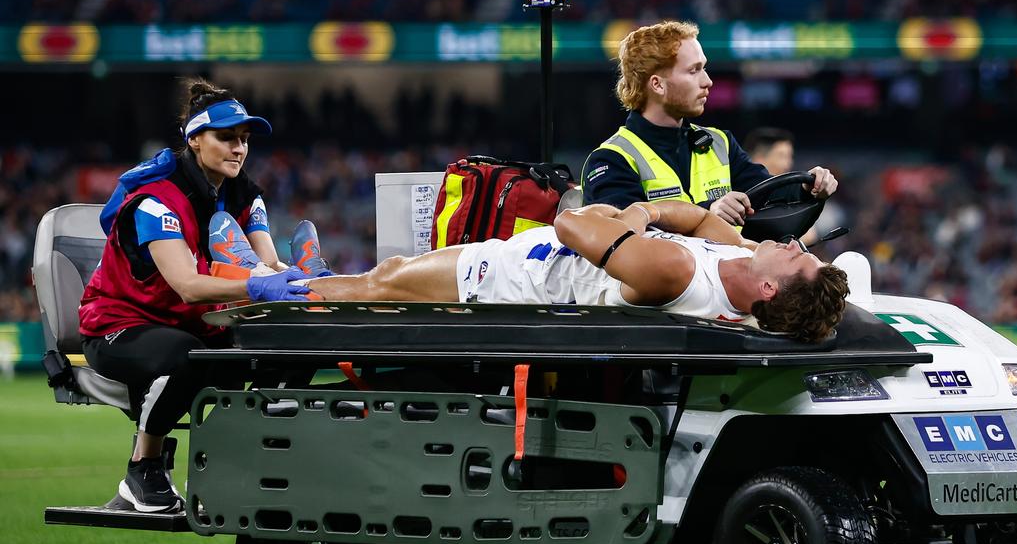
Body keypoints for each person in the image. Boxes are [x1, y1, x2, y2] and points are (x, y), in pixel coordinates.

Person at [78, 78, 311, 513]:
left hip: (191, 324)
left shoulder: (243, 192)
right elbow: (188, 285)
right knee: (188, 357)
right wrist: (258, 284)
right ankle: (141, 470)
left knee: (279, 349)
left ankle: (229, 464)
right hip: (118, 326)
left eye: (244, 140)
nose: (239, 149)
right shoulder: (155, 200)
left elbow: (268, 265)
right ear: (196, 140)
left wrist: (313, 281)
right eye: (226, 138)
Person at [232, 199, 849, 344]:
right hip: (541, 268)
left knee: (387, 281)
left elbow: (573, 222)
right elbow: (697, 217)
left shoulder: (674, 269)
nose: (792, 242)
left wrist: (629, 215)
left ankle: (269, 289)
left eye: (796, 254)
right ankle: (311, 279)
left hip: (515, 280)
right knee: (387, 279)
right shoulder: (736, 269)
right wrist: (644, 219)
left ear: (771, 288)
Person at [582, 20, 838, 227]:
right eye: (693, 71)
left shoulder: (719, 142)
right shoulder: (610, 160)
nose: (708, 81)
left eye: (704, 68)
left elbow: (767, 194)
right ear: (657, 84)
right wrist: (707, 214)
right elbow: (628, 237)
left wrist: (807, 186)